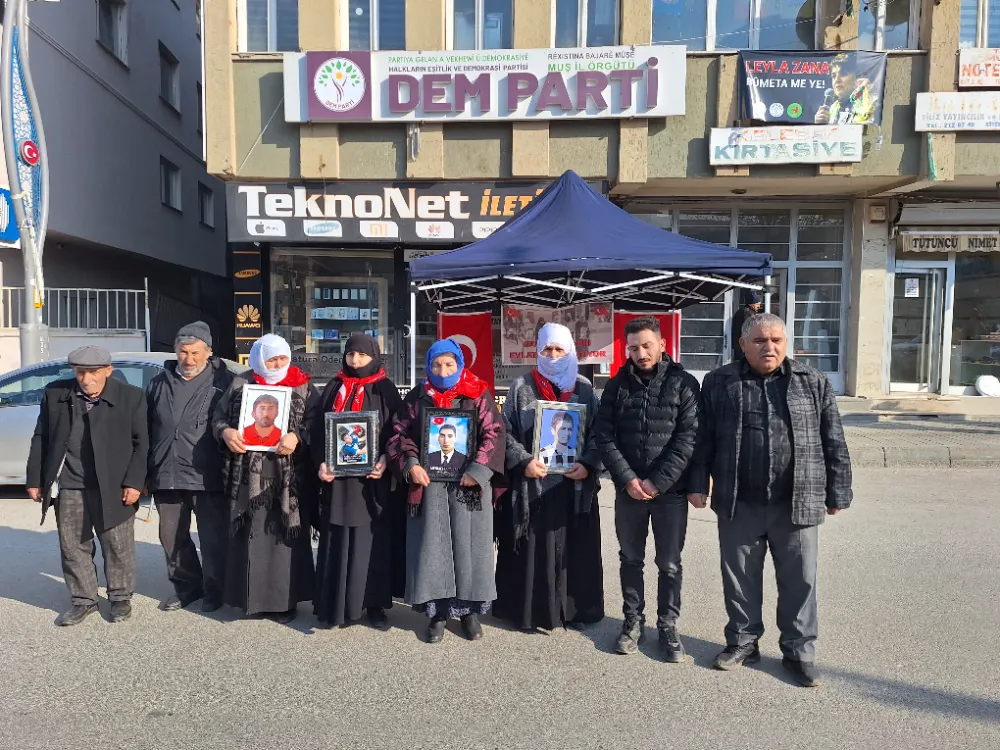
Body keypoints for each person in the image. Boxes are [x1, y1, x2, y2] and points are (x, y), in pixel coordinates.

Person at [687, 313, 852, 688]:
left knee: (800, 581)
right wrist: (697, 483)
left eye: (777, 340)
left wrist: (838, 490)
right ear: (743, 345)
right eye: (760, 340)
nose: (769, 347)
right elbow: (703, 438)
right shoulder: (720, 382)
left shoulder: (812, 380)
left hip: (797, 501)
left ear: (786, 343)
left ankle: (799, 652)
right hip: (739, 500)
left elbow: (833, 438)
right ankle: (743, 641)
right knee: (739, 579)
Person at [594, 316, 700, 661]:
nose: (641, 353)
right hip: (629, 492)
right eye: (634, 348)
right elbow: (604, 436)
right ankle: (632, 622)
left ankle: (667, 626)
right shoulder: (616, 386)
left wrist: (658, 481)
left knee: (669, 564)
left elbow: (688, 438)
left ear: (662, 345)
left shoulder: (684, 384)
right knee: (630, 559)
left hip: (670, 492)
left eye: (647, 345)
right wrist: (627, 479)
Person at [387, 339, 506, 644]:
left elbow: (494, 432)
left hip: (469, 486)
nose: (443, 371)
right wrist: (411, 463)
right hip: (430, 486)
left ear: (460, 365)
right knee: (434, 550)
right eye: (437, 364)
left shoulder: (477, 393)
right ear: (428, 366)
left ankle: (469, 613)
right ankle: (437, 614)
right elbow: (398, 433)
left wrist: (478, 470)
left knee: (469, 550)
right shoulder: (418, 397)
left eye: (449, 364)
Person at [26, 346, 148, 626]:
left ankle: (120, 597)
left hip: (114, 484)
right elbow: (41, 436)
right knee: (73, 545)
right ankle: (83, 599)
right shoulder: (56, 394)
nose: (86, 379)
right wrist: (35, 479)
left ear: (108, 371)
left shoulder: (131, 397)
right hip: (70, 483)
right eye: (80, 373)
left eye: (93, 373)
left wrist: (134, 482)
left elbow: (142, 444)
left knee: (117, 544)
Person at [494, 323, 604, 632]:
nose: (553, 355)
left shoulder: (584, 388)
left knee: (574, 550)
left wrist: (588, 463)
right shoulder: (521, 387)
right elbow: (505, 433)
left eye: (559, 349)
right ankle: (531, 613)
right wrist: (523, 462)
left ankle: (574, 611)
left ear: (570, 351)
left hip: (574, 486)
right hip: (534, 485)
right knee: (533, 548)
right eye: (547, 349)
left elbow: (600, 433)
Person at [212, 334, 318, 623]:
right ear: (259, 359)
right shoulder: (241, 383)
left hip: (289, 479)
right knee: (252, 536)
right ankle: (252, 600)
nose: (278, 364)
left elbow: (317, 423)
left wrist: (297, 437)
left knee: (284, 539)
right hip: (248, 476)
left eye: (283, 358)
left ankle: (285, 602)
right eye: (272, 360)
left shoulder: (303, 385)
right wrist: (226, 433)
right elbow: (218, 418)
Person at [312, 333, 402, 631]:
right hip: (337, 483)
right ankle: (334, 606)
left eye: (362, 355)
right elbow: (317, 432)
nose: (355, 361)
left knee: (371, 543)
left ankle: (374, 605)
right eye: (351, 354)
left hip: (371, 483)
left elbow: (398, 432)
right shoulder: (333, 387)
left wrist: (386, 460)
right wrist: (321, 463)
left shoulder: (385, 389)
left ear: (374, 357)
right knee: (337, 539)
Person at [147, 322, 234, 613]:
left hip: (208, 474)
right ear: (175, 351)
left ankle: (216, 590)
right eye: (183, 352)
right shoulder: (159, 383)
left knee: (213, 537)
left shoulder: (226, 382)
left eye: (195, 352)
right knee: (171, 537)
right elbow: (146, 427)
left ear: (208, 352)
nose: (189, 359)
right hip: (166, 471)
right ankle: (187, 588)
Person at [814, 53, 877, 125]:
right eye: (834, 76)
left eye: (843, 74)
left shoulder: (870, 102)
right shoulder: (832, 108)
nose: (837, 80)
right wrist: (820, 125)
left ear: (857, 78)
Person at [731, 291, 762, 361]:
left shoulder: (740, 311)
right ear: (751, 304)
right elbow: (748, 329)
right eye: (757, 304)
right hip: (744, 345)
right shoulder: (748, 314)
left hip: (739, 344)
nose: (759, 306)